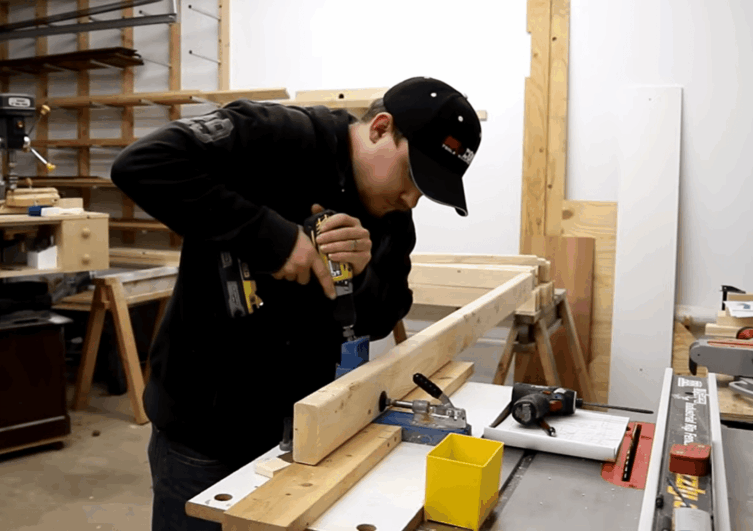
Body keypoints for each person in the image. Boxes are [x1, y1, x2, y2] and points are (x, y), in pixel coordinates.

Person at [110, 76, 482, 531]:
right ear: (381, 128)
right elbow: (142, 164)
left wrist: (363, 275)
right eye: (412, 175)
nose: (411, 198)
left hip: (300, 432)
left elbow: (385, 315)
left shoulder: (393, 218)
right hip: (202, 426)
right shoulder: (277, 135)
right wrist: (273, 237)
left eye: (426, 190)